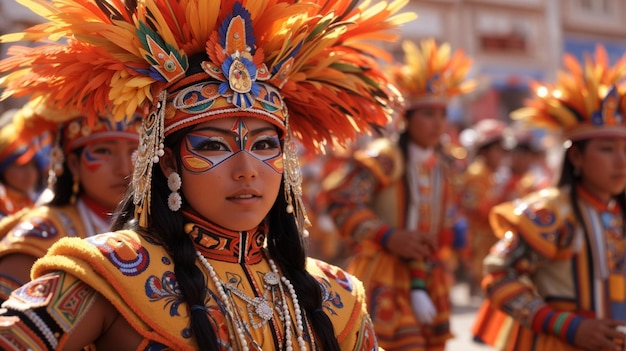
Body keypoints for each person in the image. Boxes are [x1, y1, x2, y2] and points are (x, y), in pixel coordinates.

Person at [0, 0, 415, 349]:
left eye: (265, 145)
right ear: (167, 162)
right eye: (214, 146)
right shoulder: (110, 274)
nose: (247, 170)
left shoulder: (336, 296)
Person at [472, 45, 626, 351]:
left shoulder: (618, 213)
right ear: (577, 158)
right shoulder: (549, 212)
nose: (621, 161)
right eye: (607, 149)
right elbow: (498, 275)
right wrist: (565, 326)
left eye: (625, 149)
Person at [327, 38, 474, 351]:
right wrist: (387, 235)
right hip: (384, 272)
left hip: (429, 273)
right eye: (427, 114)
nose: (438, 124)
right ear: (407, 118)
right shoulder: (384, 157)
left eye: (442, 114)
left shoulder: (445, 164)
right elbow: (342, 201)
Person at [0, 104, 141, 302]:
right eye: (104, 151)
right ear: (73, 164)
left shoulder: (160, 230)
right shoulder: (39, 237)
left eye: (135, 151)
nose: (124, 168)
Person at [458, 118, 512, 298]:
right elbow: (475, 210)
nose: (502, 155)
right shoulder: (477, 174)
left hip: (489, 238)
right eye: (499, 149)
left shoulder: (491, 174)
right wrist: (503, 195)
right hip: (479, 239)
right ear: (485, 151)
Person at [0, 104, 51, 218]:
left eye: (34, 166)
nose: (30, 173)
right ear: (3, 166)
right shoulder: (3, 207)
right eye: (21, 166)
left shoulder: (41, 202)